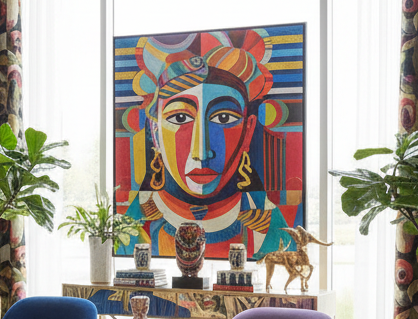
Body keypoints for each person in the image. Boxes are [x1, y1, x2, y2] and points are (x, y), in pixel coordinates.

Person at [119, 28, 298, 260]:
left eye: (224, 118)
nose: (201, 152)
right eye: (180, 118)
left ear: (248, 130)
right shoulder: (134, 227)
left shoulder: (269, 228)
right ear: (155, 132)